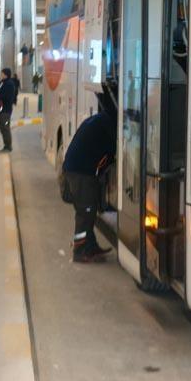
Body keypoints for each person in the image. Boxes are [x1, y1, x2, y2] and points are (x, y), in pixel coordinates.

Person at [62, 91, 116, 263]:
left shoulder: (100, 119)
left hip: (75, 168)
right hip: (80, 173)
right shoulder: (109, 126)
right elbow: (113, 152)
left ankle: (90, 247)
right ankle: (79, 251)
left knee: (89, 211)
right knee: (85, 213)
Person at [0, 67, 20, 153]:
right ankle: (6, 145)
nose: (0, 74)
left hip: (6, 110)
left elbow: (7, 97)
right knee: (2, 128)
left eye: (1, 73)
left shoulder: (9, 84)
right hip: (1, 109)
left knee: (5, 127)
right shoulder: (2, 83)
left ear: (5, 74)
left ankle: (8, 146)